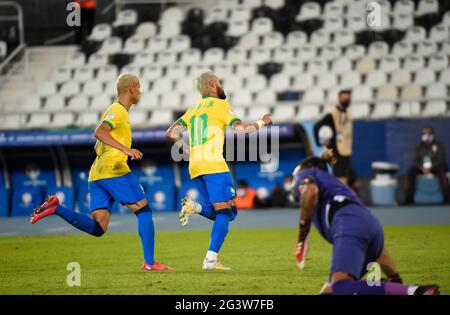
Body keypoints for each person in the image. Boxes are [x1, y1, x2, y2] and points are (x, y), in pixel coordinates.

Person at [29, 73, 172, 272]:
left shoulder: (118, 112)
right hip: (114, 170)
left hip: (97, 173)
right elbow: (99, 132)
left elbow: (98, 145)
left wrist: (113, 149)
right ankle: (149, 262)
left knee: (98, 228)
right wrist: (125, 149)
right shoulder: (118, 110)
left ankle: (56, 208)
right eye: (138, 87)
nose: (140, 91)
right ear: (131, 88)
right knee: (143, 210)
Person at [291, 149, 440, 295]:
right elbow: (378, 249)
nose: (294, 181)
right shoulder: (337, 189)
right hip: (373, 228)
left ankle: (417, 292)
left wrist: (303, 234)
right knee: (329, 292)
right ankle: (400, 289)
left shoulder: (308, 175)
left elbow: (310, 192)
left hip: (348, 226)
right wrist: (396, 279)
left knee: (340, 288)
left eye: (295, 175)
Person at [166, 71, 272, 270]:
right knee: (226, 212)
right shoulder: (221, 105)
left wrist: (188, 151)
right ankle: (210, 260)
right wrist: (262, 122)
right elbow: (241, 130)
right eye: (220, 82)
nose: (222, 85)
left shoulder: (193, 109)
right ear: (213, 83)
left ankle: (194, 208)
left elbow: (171, 133)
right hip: (214, 165)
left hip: (196, 167)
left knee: (227, 212)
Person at [314, 90, 353, 186]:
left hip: (346, 148)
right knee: (339, 174)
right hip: (336, 148)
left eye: (347, 98)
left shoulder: (348, 112)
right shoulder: (332, 114)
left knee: (345, 174)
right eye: (344, 98)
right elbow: (317, 126)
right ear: (339, 99)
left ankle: (344, 194)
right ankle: (340, 194)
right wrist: (321, 142)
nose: (346, 100)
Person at [404, 125, 449, 204]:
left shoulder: (439, 144)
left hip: (436, 167)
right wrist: (422, 168)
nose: (426, 135)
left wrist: (431, 167)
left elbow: (441, 159)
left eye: (428, 133)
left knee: (443, 172)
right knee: (410, 172)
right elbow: (415, 160)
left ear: (432, 134)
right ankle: (409, 198)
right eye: (424, 134)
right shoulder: (418, 145)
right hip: (422, 168)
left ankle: (447, 198)